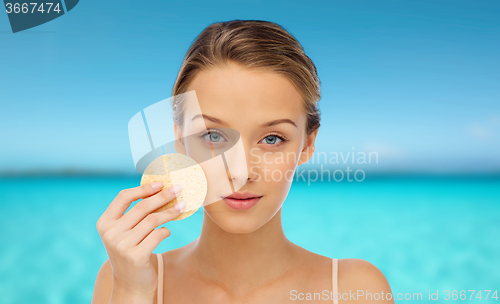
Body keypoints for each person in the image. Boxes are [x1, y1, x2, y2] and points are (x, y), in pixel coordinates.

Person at [92, 19, 394, 304]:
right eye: (213, 136)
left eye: (272, 139)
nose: (241, 172)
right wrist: (132, 293)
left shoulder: (355, 290)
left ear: (308, 144)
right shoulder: (124, 278)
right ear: (180, 139)